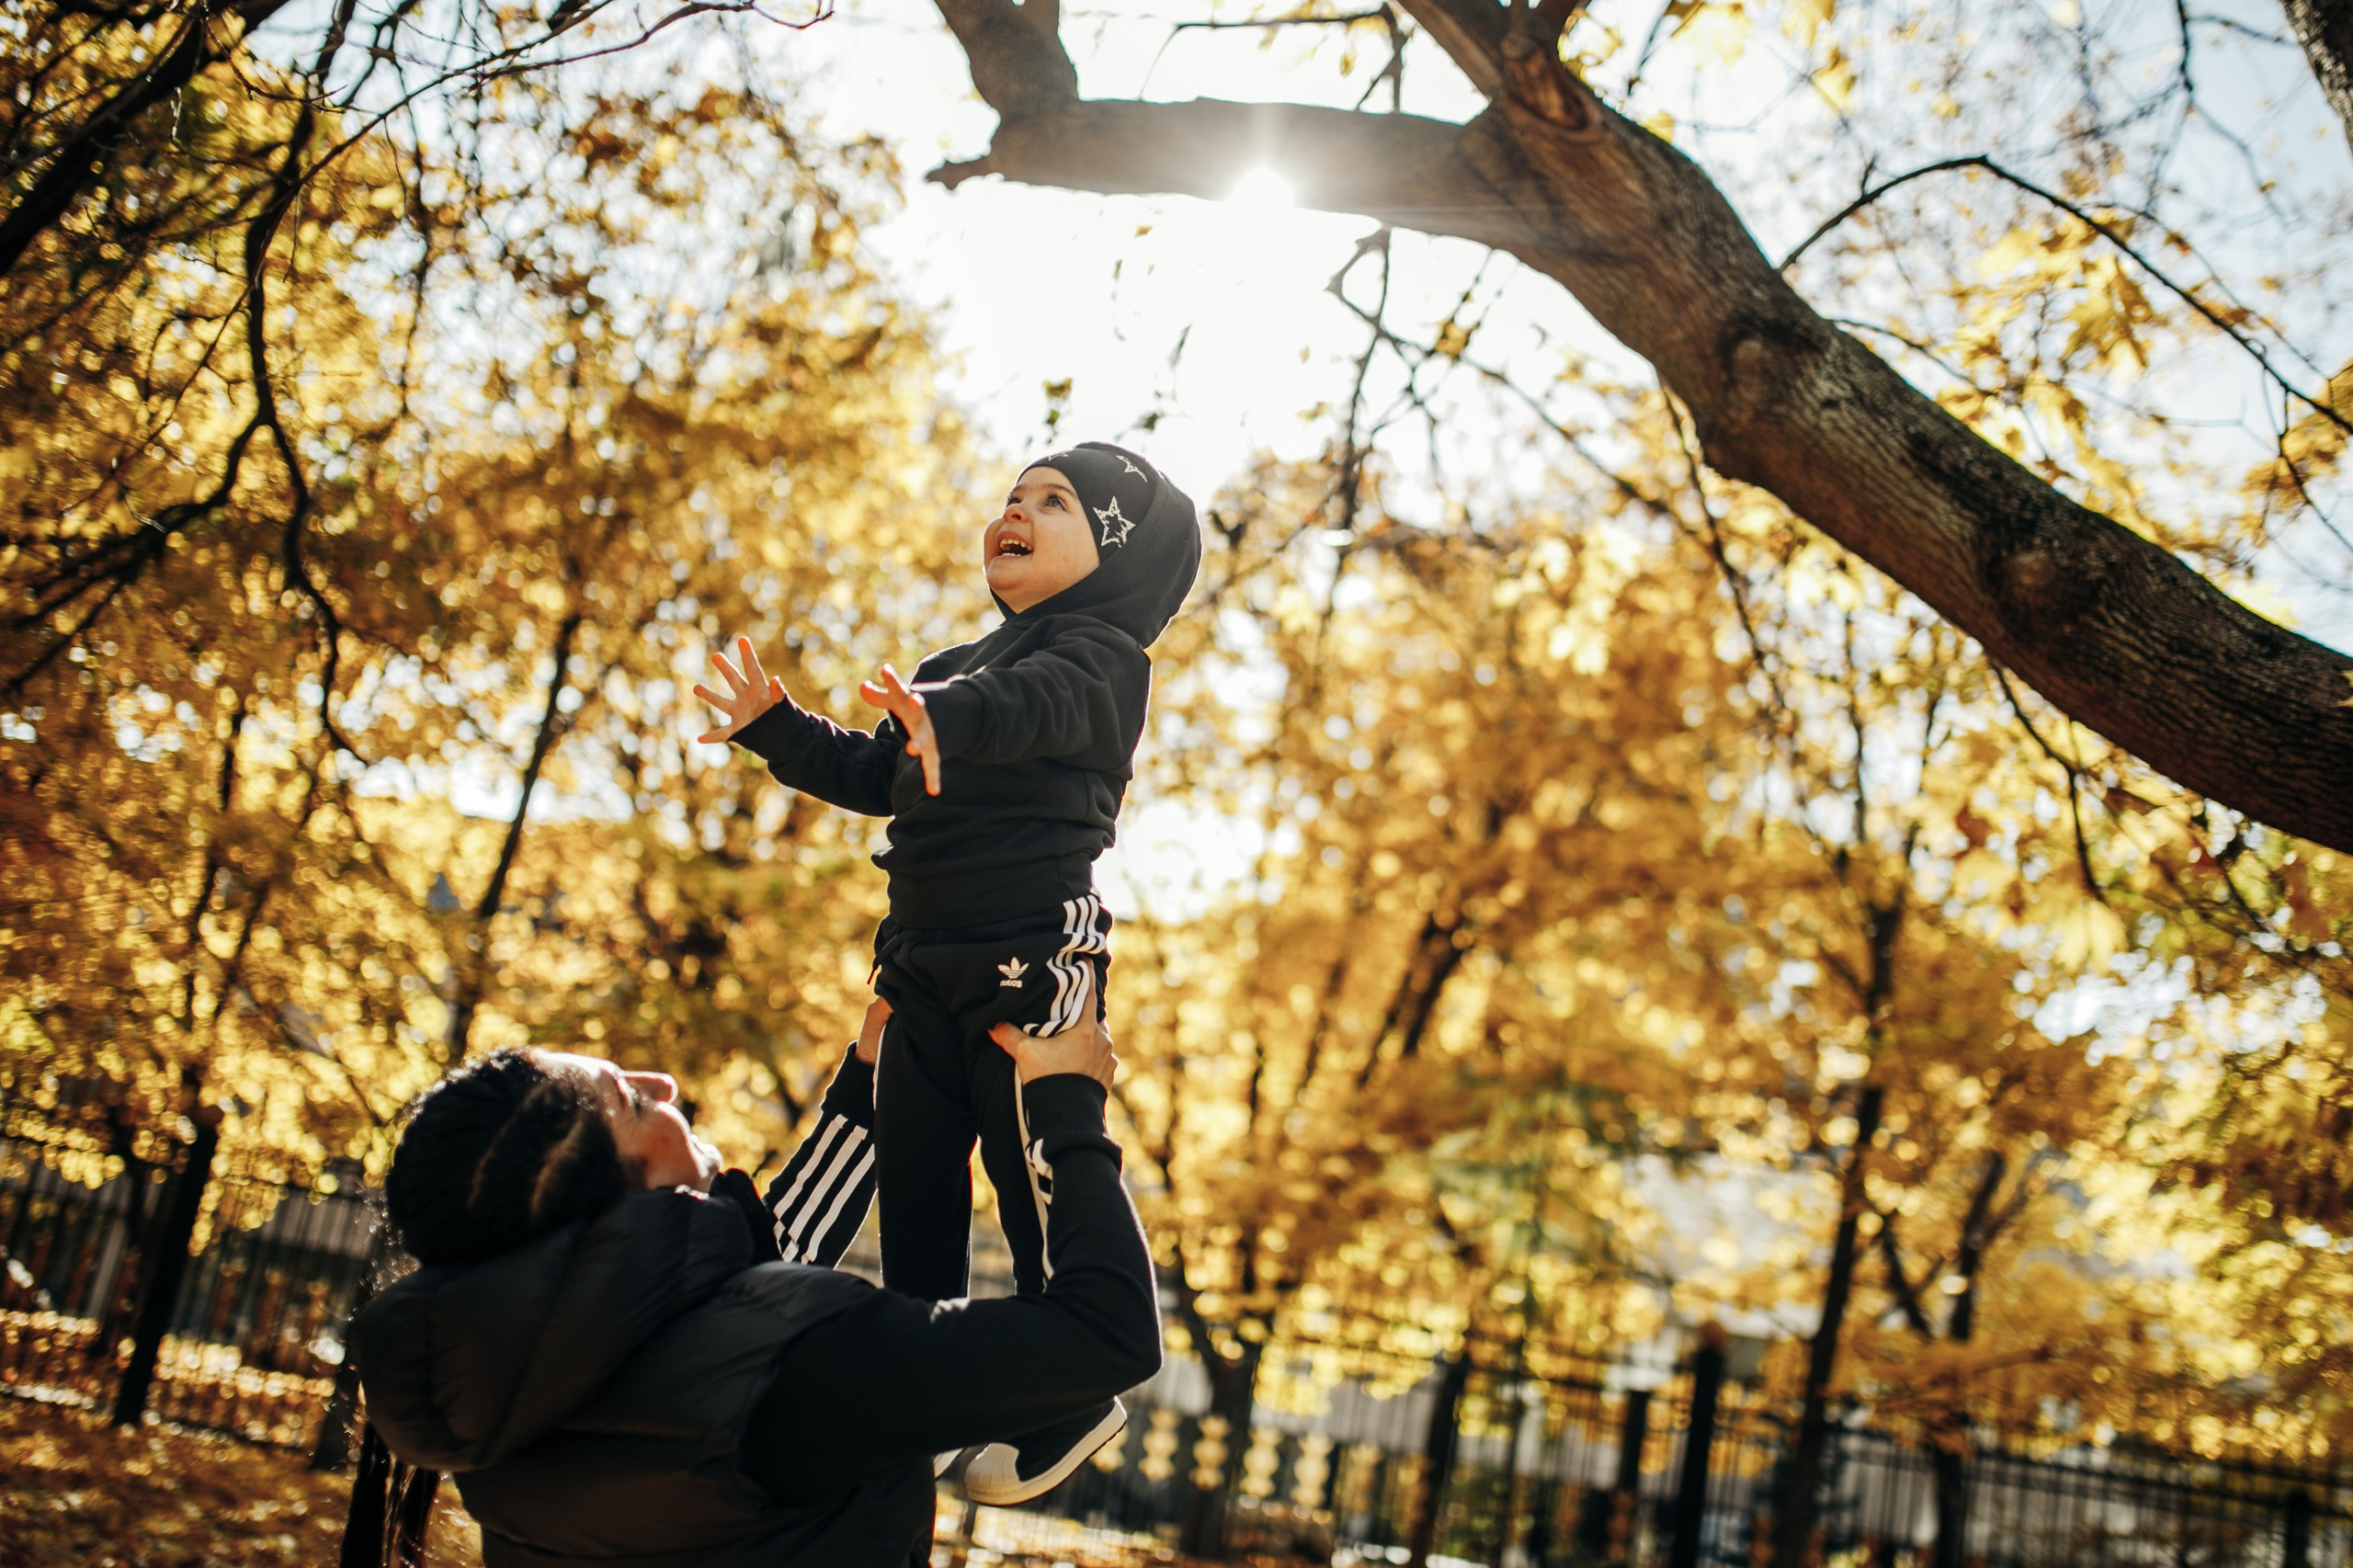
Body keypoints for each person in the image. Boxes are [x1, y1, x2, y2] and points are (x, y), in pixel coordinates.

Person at [693, 442, 1199, 1501]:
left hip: (1031, 954)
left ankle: (1070, 1383)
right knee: (915, 1173)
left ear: (1113, 555)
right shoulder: (954, 660)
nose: (1014, 510)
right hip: (920, 962)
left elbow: (1033, 708)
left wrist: (947, 717)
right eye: (1012, 496)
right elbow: (877, 773)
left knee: (1030, 1171)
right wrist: (775, 729)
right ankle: (926, 1374)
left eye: (1053, 502)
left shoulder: (1104, 656)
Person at [347, 994, 1159, 1568]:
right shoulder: (798, 1372)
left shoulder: (513, 1392)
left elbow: (744, 1288)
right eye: (632, 1100)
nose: (663, 1084)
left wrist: (865, 1089)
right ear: (620, 1193)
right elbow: (1106, 1331)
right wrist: (1068, 1109)